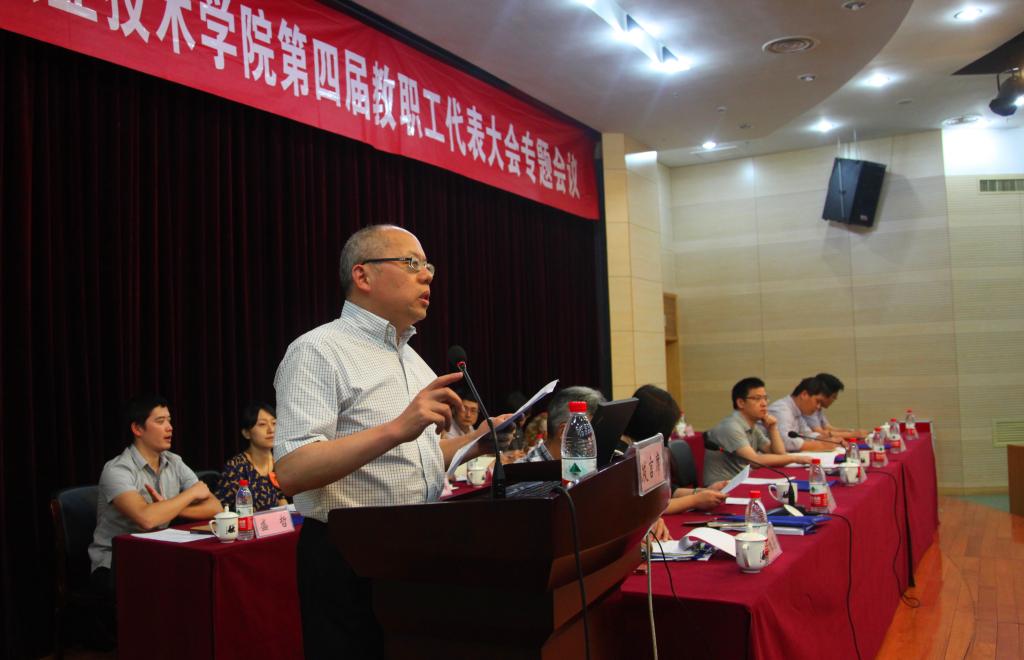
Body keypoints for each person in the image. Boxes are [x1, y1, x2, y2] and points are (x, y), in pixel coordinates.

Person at [273, 224, 506, 659]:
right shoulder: (318, 350)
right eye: (411, 263)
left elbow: (415, 456)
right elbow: (292, 470)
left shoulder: (412, 359)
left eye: (428, 266)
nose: (427, 275)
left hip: (416, 547)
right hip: (349, 556)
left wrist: (477, 441)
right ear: (363, 275)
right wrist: (399, 427)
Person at [88, 394, 222, 639]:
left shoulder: (174, 461)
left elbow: (215, 507)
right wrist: (190, 494)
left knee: (207, 577)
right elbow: (147, 519)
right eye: (160, 421)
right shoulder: (117, 469)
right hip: (116, 563)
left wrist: (172, 508)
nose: (169, 427)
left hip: (160, 554)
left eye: (169, 420)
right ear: (137, 429)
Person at [623, 384, 727, 514]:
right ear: (652, 427)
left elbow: (664, 490)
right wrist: (695, 500)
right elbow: (648, 507)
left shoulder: (645, 447)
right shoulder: (622, 456)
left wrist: (701, 492)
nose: (670, 433)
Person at [703, 378, 812, 484]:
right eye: (757, 398)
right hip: (722, 486)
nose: (764, 403)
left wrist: (773, 428)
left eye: (765, 398)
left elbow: (779, 453)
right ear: (741, 403)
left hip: (741, 481)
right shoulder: (731, 427)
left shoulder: (752, 426)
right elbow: (755, 461)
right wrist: (794, 458)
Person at [214, 402, 287, 511]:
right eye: (262, 424)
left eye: (274, 423)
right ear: (246, 433)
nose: (271, 430)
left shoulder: (280, 461)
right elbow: (220, 507)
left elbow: (282, 499)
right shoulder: (236, 467)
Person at [519, 385, 605, 462]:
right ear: (564, 433)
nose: (592, 442)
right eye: (588, 433)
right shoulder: (525, 473)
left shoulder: (581, 466)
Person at [766, 377, 843, 452]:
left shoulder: (797, 411)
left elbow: (807, 434)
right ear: (804, 394)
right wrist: (822, 445)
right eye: (817, 401)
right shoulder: (781, 409)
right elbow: (785, 442)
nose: (818, 407)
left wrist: (827, 440)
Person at [808, 373, 867, 439]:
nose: (835, 399)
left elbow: (827, 428)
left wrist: (852, 431)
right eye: (833, 397)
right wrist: (852, 434)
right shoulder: (809, 407)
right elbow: (820, 433)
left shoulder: (818, 407)